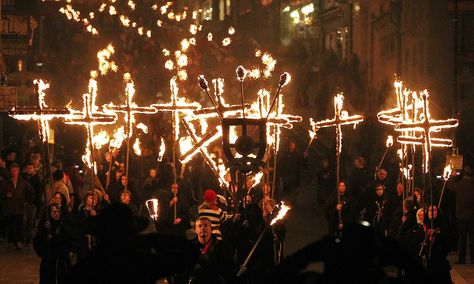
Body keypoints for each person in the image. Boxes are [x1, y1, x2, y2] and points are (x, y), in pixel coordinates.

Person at [179, 217, 236, 284]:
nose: (203, 228)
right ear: (195, 230)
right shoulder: (189, 248)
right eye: (200, 226)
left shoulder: (221, 246)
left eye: (206, 225)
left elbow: (228, 270)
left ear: (211, 229)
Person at [33, 204, 70, 284]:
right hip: (48, 260)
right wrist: (46, 233)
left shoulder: (63, 225)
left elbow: (66, 240)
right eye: (54, 212)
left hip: (60, 261)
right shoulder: (44, 226)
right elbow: (37, 242)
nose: (56, 214)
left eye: (58, 212)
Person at [0, 163, 34, 249]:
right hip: (10, 206)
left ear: (18, 171)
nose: (13, 172)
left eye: (15, 170)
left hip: (20, 206)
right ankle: (13, 240)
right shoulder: (6, 182)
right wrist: (5, 195)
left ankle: (19, 241)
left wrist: (27, 201)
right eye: (12, 170)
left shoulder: (23, 182)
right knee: (11, 224)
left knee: (19, 224)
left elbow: (31, 191)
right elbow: (1, 192)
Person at [448, 164, 474, 264]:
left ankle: (462, 258)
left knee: (462, 238)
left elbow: (450, 186)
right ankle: (473, 258)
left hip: (461, 215)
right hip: (472, 215)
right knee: (472, 237)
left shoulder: (461, 184)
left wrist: (452, 176)